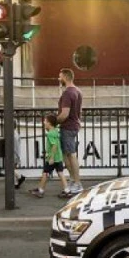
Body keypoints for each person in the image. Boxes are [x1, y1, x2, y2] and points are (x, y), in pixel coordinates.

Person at [56, 68, 83, 197]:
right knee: (67, 154)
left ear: (66, 77)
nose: (58, 79)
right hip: (74, 126)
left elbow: (65, 114)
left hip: (67, 127)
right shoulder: (77, 91)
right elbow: (79, 112)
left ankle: (77, 183)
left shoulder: (67, 93)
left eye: (60, 76)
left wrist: (54, 122)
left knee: (70, 155)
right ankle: (73, 181)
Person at [29, 114, 68, 198]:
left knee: (45, 173)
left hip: (52, 157)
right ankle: (67, 190)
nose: (44, 123)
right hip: (59, 157)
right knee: (60, 173)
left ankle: (40, 190)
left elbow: (54, 145)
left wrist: (51, 157)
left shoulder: (50, 134)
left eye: (45, 121)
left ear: (49, 123)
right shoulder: (56, 131)